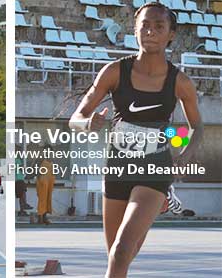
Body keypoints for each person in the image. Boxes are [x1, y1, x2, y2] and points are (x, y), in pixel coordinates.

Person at [67, 3, 203, 276]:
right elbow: (75, 118)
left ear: (171, 35)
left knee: (121, 251)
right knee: (118, 257)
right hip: (117, 168)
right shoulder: (114, 71)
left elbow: (197, 127)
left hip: (155, 169)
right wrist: (87, 124)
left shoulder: (180, 82)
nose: (151, 31)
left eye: (159, 26)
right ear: (135, 30)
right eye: (145, 26)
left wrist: (184, 156)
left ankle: (159, 200)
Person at [35, 149, 55, 224]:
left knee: (47, 200)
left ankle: (44, 217)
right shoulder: (41, 160)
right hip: (42, 182)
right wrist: (40, 179)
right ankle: (40, 217)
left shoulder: (51, 162)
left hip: (49, 182)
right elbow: (36, 170)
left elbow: (52, 172)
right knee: (42, 199)